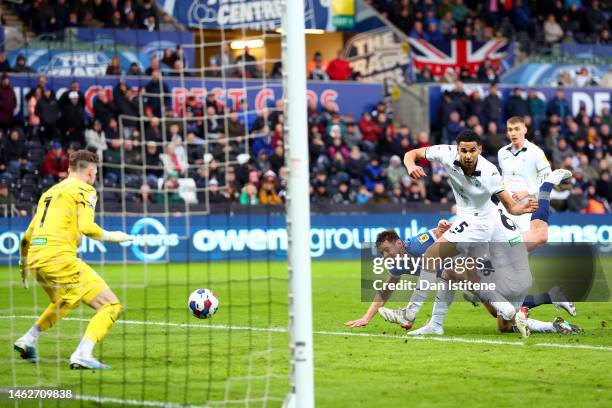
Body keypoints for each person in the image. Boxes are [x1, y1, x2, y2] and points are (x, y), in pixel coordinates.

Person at [345, 170, 580, 336]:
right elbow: (386, 289)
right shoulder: (399, 263)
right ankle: (552, 314)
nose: (386, 257)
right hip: (470, 270)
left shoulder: (416, 243)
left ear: (397, 243)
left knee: (538, 238)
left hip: (486, 257)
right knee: (503, 324)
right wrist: (367, 317)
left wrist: (443, 228)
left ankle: (547, 184)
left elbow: (440, 234)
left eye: (387, 251)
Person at [15, 150, 133, 369]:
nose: (94, 177)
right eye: (95, 173)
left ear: (69, 169)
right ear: (90, 172)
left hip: (36, 260)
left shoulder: (49, 193)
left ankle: (28, 339)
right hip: (59, 258)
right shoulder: (85, 189)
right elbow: (87, 228)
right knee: (111, 305)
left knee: (66, 300)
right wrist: (116, 236)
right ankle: (83, 354)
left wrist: (23, 267)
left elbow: (26, 238)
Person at [498, 116, 551, 231]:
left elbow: (548, 179)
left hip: (527, 207)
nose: (513, 133)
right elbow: (503, 177)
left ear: (525, 130)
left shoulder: (536, 152)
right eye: (510, 129)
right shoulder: (501, 153)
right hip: (506, 206)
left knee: (525, 244)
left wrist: (526, 192)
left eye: (517, 129)